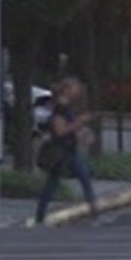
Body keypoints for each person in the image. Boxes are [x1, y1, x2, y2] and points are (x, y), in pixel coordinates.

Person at [35, 77, 100, 225]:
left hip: (69, 150)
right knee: (56, 183)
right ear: (67, 90)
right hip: (62, 152)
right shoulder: (60, 108)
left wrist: (82, 131)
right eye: (74, 89)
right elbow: (61, 131)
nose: (77, 92)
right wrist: (79, 122)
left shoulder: (67, 107)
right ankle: (40, 215)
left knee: (82, 179)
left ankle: (95, 213)